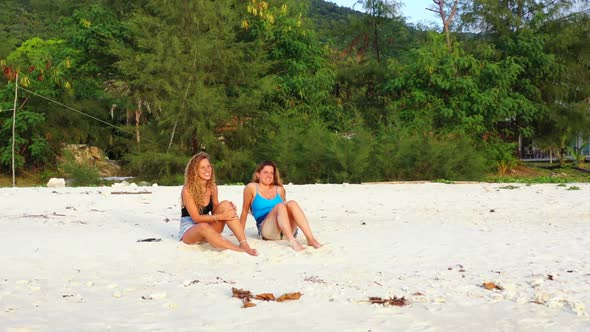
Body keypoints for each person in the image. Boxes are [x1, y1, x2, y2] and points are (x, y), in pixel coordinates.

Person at [179, 152, 257, 256]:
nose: (207, 170)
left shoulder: (212, 187)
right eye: (202, 168)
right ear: (195, 171)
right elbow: (196, 218)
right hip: (190, 230)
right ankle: (238, 250)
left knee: (226, 205)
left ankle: (244, 244)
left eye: (208, 166)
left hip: (208, 226)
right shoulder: (187, 190)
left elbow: (215, 210)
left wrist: (227, 208)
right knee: (203, 226)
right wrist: (222, 216)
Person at [240, 160, 322, 251]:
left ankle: (311, 239)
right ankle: (292, 241)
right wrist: (240, 232)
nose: (269, 175)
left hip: (286, 230)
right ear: (258, 174)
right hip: (268, 230)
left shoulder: (279, 190)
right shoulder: (251, 188)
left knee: (292, 203)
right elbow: (244, 211)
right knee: (280, 206)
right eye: (265, 172)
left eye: (272, 173)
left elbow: (284, 212)